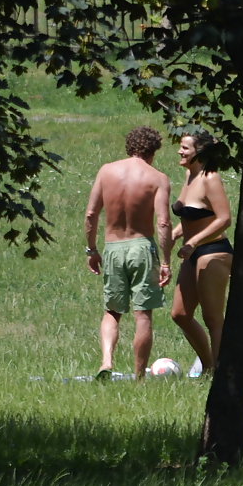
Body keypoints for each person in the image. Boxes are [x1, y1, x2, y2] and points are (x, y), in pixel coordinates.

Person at [84, 126, 173, 380]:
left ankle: (106, 361)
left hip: (113, 247)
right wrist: (165, 261)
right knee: (142, 315)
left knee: (112, 311)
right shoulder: (157, 178)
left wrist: (91, 249)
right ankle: (139, 378)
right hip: (141, 246)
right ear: (153, 150)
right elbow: (163, 222)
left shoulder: (107, 171)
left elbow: (91, 214)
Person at [170, 132, 233, 375]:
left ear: (200, 152)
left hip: (213, 252)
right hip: (191, 251)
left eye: (185, 147)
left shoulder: (210, 178)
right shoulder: (189, 175)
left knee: (212, 318)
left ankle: (219, 372)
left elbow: (224, 218)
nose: (179, 151)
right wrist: (177, 231)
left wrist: (194, 240)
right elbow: (190, 212)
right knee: (180, 314)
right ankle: (208, 365)